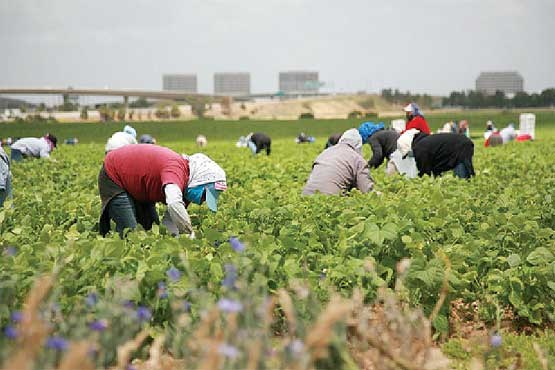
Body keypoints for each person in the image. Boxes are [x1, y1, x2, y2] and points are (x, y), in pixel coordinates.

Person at [98, 144, 227, 238]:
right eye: (204, 195)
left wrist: (177, 242)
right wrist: (189, 234)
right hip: (114, 175)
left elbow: (169, 223)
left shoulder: (186, 190)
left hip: (139, 188)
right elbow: (174, 203)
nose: (201, 202)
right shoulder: (176, 169)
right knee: (130, 234)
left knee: (151, 228)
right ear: (200, 181)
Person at [303, 129, 373, 195]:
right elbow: (366, 190)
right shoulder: (357, 159)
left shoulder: (325, 152)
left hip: (306, 195)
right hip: (330, 197)